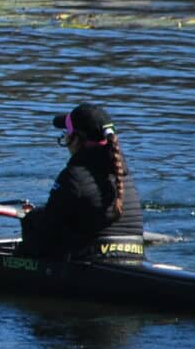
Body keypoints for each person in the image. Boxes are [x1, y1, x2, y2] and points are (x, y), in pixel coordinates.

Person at [18, 103, 145, 264]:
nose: (65, 138)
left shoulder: (74, 177)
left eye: (66, 133)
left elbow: (43, 237)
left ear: (76, 139)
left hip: (90, 265)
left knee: (33, 220)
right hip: (135, 257)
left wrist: (17, 256)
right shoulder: (123, 175)